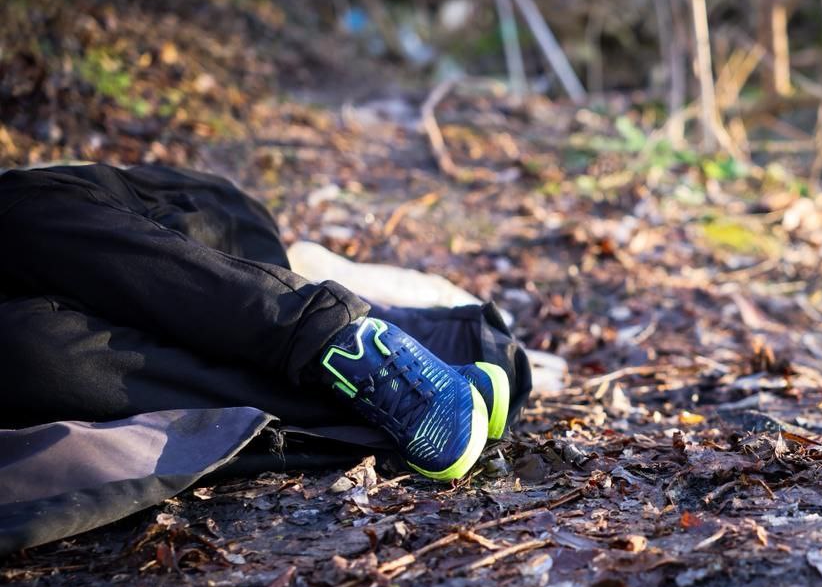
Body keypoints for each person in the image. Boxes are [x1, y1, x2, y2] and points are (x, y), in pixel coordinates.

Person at [0, 163, 527, 481]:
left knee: (15, 214)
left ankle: (341, 342)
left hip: (197, 233)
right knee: (22, 353)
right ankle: (364, 398)